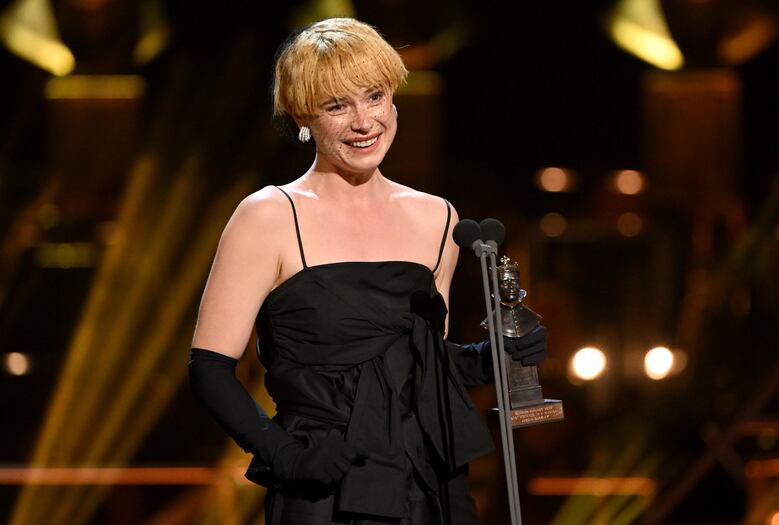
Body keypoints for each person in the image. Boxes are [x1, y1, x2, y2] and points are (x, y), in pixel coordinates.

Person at [188, 17, 548, 525]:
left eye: (374, 96)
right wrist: (283, 452)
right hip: (325, 487)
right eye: (337, 106)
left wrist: (487, 359)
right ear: (301, 118)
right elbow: (209, 368)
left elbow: (419, 365)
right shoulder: (268, 216)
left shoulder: (437, 217)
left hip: (427, 482)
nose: (364, 122)